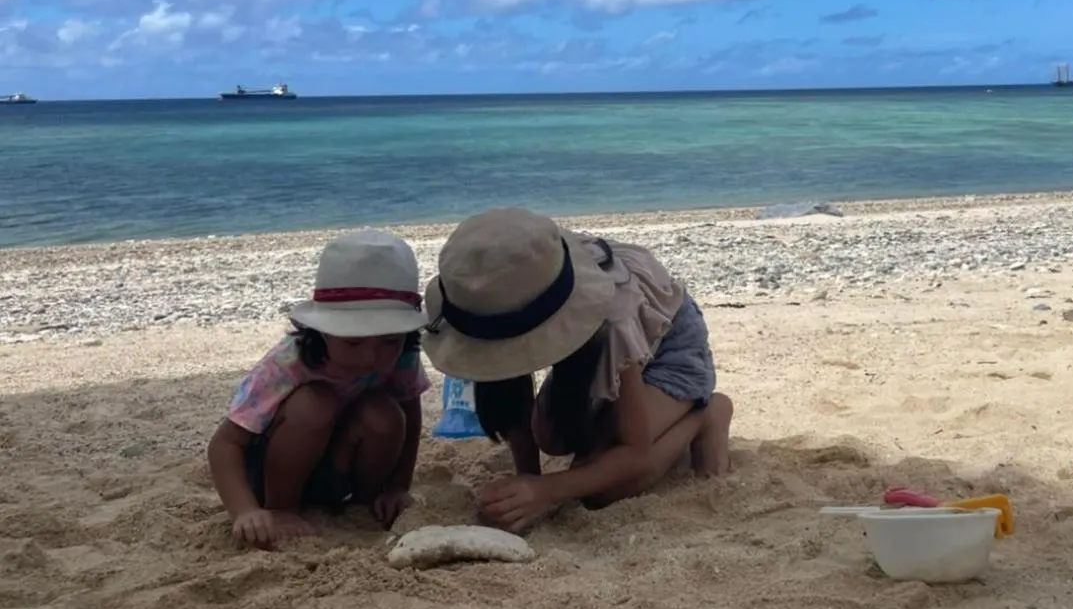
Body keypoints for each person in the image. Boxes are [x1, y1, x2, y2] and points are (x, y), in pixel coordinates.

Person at [421, 206, 732, 533]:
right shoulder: (506, 291)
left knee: (606, 489)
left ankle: (705, 414)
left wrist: (546, 491)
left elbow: (636, 450)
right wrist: (527, 482)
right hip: (593, 348)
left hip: (667, 341)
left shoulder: (612, 317)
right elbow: (510, 395)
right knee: (551, 436)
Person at [207, 229, 431, 550]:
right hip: (271, 476)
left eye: (389, 341)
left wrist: (397, 486)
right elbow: (225, 444)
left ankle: (365, 502)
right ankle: (283, 509)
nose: (371, 356)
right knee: (314, 404)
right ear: (322, 331)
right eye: (353, 341)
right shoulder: (288, 363)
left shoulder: (403, 355)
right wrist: (245, 511)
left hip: (340, 468)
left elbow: (410, 416)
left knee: (384, 411)